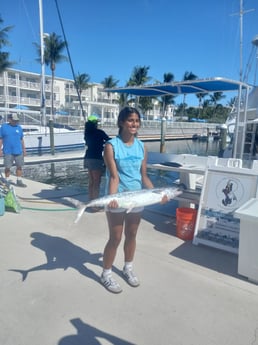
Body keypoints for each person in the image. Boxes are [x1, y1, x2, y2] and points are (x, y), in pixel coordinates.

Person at [100, 106, 167, 293]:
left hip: (137, 198)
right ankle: (106, 274)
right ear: (122, 122)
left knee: (132, 235)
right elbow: (114, 177)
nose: (134, 124)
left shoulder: (142, 147)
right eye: (130, 120)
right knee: (115, 237)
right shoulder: (111, 146)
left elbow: (144, 176)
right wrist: (112, 198)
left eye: (137, 121)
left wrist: (157, 194)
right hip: (118, 196)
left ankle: (127, 268)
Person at [84, 115, 110, 201]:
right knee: (97, 183)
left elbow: (91, 144)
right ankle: (95, 205)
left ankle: (90, 200)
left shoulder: (87, 133)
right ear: (95, 124)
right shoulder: (99, 132)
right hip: (96, 158)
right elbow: (109, 140)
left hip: (88, 157)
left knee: (91, 181)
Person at [0, 113, 27, 187]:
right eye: (14, 120)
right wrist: (0, 149)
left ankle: (19, 180)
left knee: (19, 166)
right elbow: (1, 139)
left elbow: (21, 139)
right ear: (9, 119)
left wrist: (24, 149)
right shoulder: (3, 127)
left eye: (17, 120)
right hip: (8, 151)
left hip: (18, 151)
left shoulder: (19, 127)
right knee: (7, 167)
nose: (16, 122)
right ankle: (7, 180)